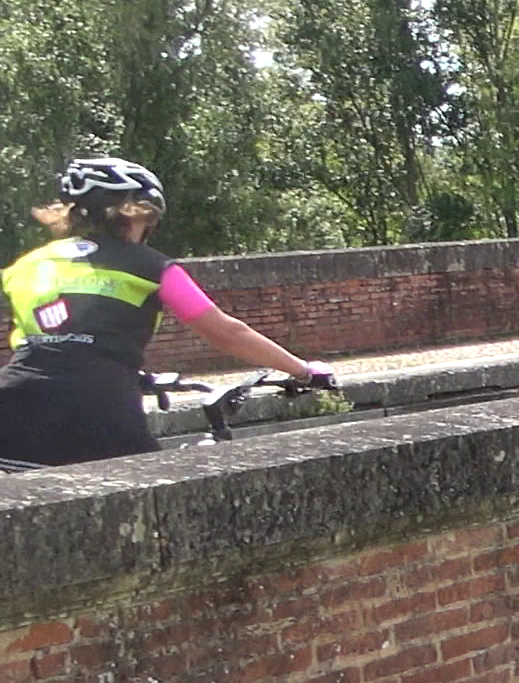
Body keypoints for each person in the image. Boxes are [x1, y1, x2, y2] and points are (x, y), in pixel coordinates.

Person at [0, 156, 334, 468]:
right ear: (135, 215)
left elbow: (58, 341)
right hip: (99, 409)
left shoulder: (25, 266)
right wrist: (303, 370)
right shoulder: (152, 266)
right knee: (151, 509)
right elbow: (227, 333)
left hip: (12, 406)